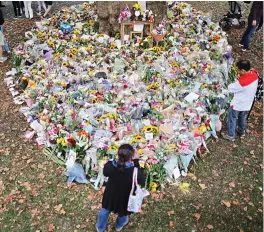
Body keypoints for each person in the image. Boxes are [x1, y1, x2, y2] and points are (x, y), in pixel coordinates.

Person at [96, 144, 145, 232]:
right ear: (131, 157)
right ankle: (119, 226)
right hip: (125, 196)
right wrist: (136, 161)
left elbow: (105, 173)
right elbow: (141, 180)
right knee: (123, 212)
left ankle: (100, 228)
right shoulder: (134, 170)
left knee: (105, 210)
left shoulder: (110, 165)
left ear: (118, 154)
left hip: (110, 194)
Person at [222, 60, 258, 142]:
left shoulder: (241, 83)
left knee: (232, 118)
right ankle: (242, 131)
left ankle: (231, 135)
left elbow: (230, 88)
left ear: (243, 70)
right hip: (248, 102)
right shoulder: (254, 74)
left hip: (238, 103)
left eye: (239, 70)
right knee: (242, 117)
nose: (238, 72)